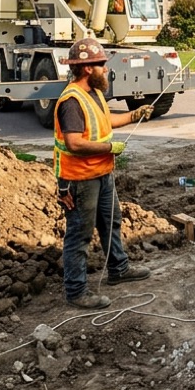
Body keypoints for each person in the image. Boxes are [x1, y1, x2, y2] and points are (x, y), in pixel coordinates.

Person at [54, 36, 155, 309]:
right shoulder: (72, 101)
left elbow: (106, 120)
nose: (106, 69)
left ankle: (118, 270)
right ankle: (76, 291)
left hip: (101, 174)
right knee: (80, 235)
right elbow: (74, 143)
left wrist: (135, 115)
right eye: (102, 65)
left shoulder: (94, 93)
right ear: (88, 68)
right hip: (80, 180)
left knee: (111, 224)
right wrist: (110, 147)